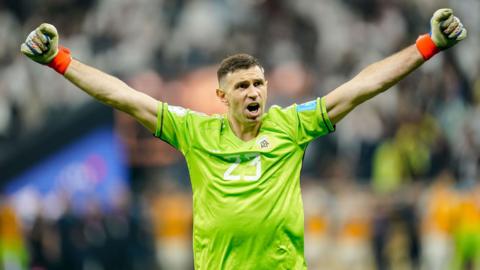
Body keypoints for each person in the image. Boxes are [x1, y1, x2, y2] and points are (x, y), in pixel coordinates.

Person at [20, 8, 466, 269]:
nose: (254, 92)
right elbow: (123, 96)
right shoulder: (194, 131)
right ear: (222, 96)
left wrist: (427, 46)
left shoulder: (292, 125)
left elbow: (362, 86)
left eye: (259, 83)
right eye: (242, 86)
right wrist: (59, 60)